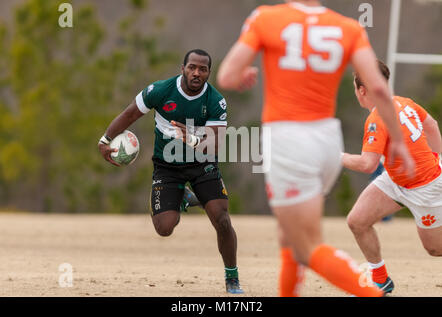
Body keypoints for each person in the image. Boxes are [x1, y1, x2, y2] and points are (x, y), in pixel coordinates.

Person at [217, 0, 415, 297]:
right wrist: (398, 139)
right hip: (326, 141)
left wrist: (243, 77)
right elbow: (377, 88)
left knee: (307, 247)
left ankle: (375, 294)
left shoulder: (265, 18)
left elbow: (227, 76)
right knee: (290, 237)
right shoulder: (348, 27)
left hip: (289, 142)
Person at [98, 49, 244, 294]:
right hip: (167, 168)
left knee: (222, 218)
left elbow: (216, 143)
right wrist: (106, 139)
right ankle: (183, 197)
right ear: (183, 68)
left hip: (202, 165)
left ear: (209, 72)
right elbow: (130, 113)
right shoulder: (161, 91)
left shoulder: (215, 101)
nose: (197, 73)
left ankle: (232, 278)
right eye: (192, 67)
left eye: (203, 69)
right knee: (164, 227)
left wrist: (193, 140)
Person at [342, 60, 442, 294]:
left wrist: (338, 156)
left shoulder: (377, 119)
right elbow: (432, 126)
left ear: (362, 90)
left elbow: (368, 164)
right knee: (357, 220)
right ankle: (381, 280)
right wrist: (439, 156)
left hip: (425, 187)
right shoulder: (403, 102)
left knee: (435, 249)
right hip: (396, 180)